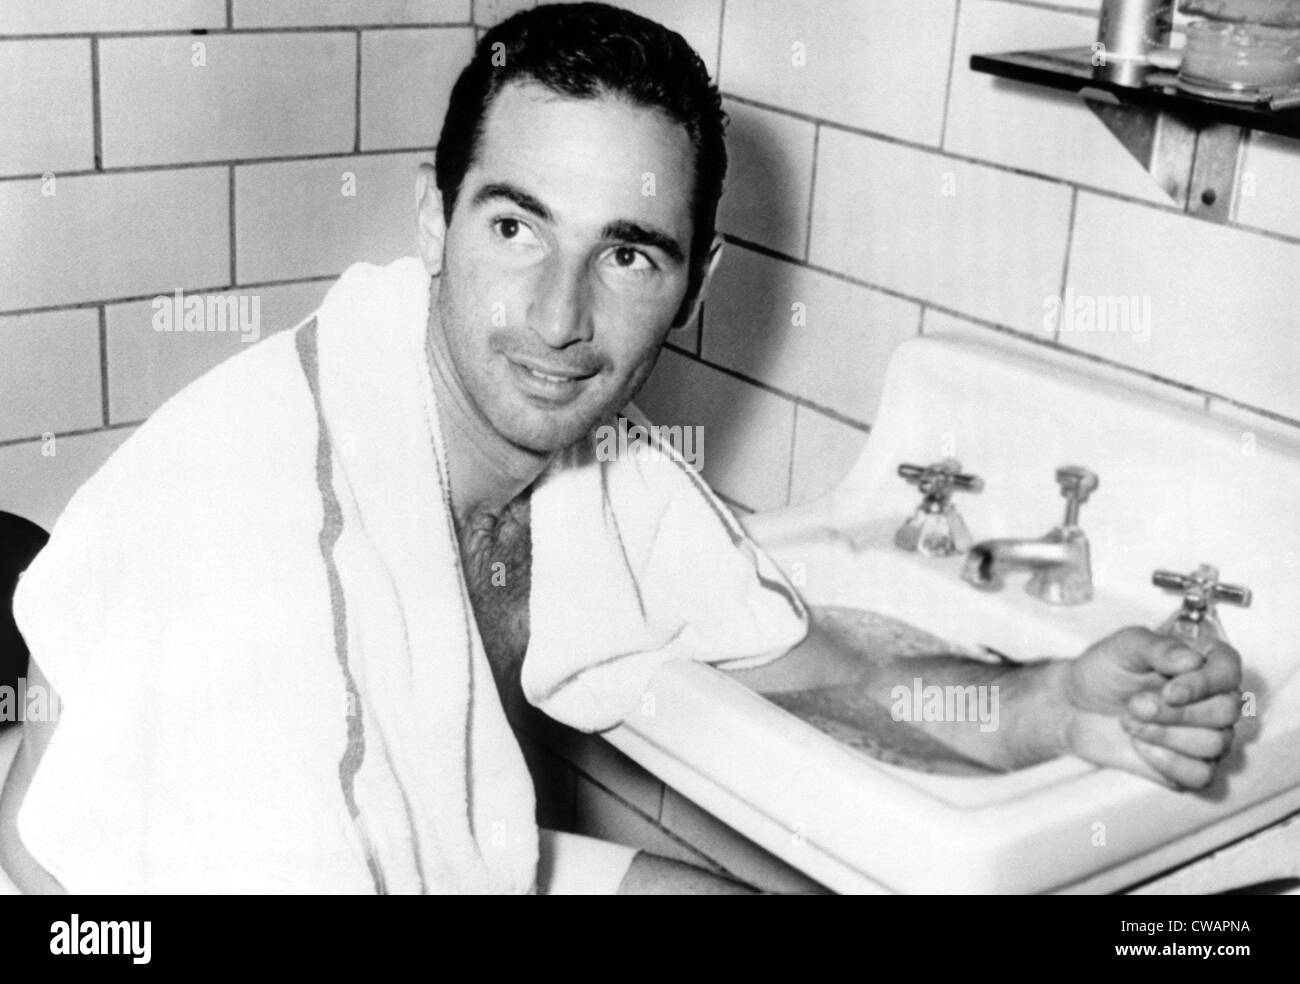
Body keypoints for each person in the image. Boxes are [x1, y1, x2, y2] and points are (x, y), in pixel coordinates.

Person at [0, 3, 1242, 895]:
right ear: (434, 222)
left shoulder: (596, 467)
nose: (558, 317)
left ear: (693, 283)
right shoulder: (274, 533)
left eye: (627, 252)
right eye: (515, 226)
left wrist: (1055, 706)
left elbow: (814, 668)